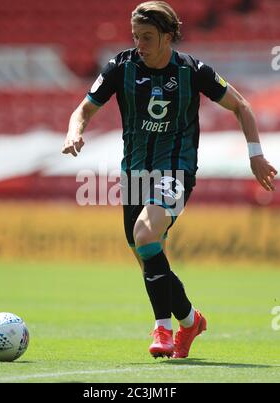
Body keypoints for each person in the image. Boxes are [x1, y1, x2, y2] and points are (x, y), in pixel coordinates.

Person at [62, 1, 277, 359]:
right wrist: (74, 132)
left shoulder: (192, 71)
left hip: (176, 169)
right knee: (147, 255)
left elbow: (242, 105)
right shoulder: (121, 66)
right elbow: (83, 109)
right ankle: (191, 321)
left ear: (167, 36)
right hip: (134, 173)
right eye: (135, 36)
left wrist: (255, 154)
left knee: (145, 235)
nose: (139, 44)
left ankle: (162, 330)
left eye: (147, 37)